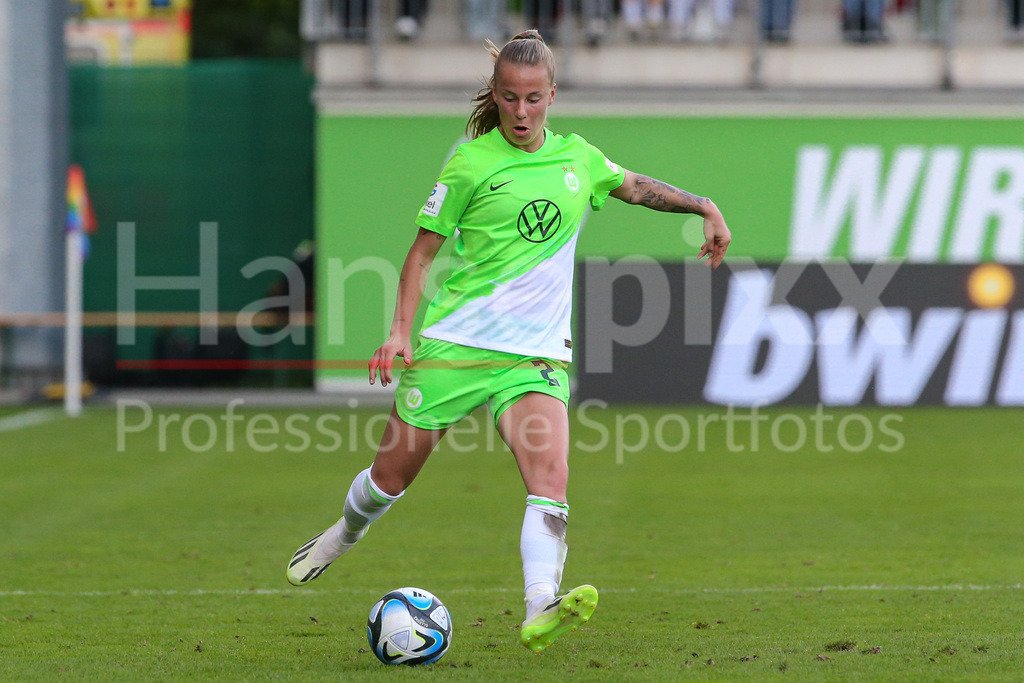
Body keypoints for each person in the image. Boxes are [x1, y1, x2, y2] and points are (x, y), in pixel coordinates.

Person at [286, 30, 731, 652]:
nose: (521, 113)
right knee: (389, 477)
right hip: (453, 346)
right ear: (493, 96)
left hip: (534, 356)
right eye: (509, 98)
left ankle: (540, 602)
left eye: (533, 99)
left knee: (551, 475)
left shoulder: (578, 159)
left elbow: (634, 186)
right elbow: (420, 256)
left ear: (552, 95)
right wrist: (397, 332)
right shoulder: (470, 163)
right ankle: (344, 534)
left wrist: (704, 206)